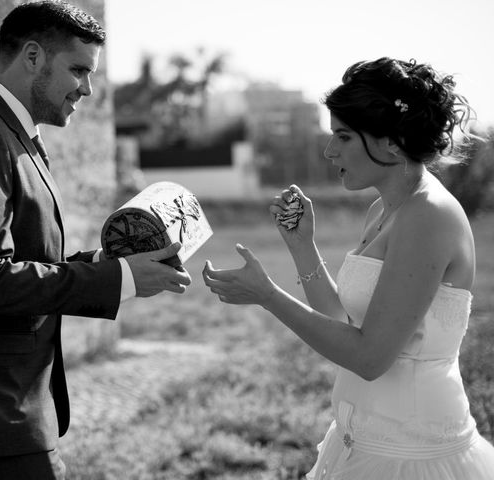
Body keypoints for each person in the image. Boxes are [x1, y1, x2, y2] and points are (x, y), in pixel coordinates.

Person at [0, 2, 191, 479]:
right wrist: (115, 278)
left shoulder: (16, 135)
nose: (88, 88)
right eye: (78, 69)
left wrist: (110, 262)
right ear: (33, 57)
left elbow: (28, 261)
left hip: (10, 404)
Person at [203, 57, 494, 479]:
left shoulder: (428, 215)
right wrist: (303, 247)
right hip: (361, 442)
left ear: (392, 141)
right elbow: (344, 320)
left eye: (342, 136)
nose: (329, 150)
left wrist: (268, 295)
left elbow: (370, 357)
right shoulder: (386, 208)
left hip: (413, 457)